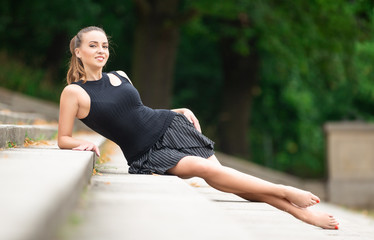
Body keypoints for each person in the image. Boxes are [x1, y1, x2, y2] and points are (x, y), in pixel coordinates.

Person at [58, 26, 339, 230]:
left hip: (170, 126)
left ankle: (300, 213)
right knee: (211, 172)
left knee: (222, 178)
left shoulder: (120, 75)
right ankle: (285, 192)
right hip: (145, 153)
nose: (101, 51)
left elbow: (138, 112)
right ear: (78, 51)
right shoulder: (74, 93)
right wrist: (77, 144)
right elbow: (63, 138)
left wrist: (177, 111)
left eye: (105, 45)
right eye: (93, 45)